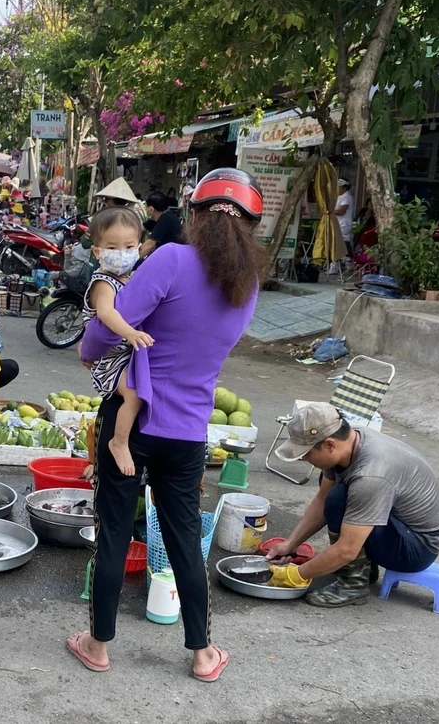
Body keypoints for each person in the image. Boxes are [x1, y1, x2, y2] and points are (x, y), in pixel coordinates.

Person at [71, 168, 264, 682]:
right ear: (251, 227)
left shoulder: (171, 259)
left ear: (194, 216)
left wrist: (91, 352)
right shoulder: (247, 286)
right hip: (188, 433)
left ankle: (98, 645)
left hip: (131, 423)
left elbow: (104, 330)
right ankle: (203, 653)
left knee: (114, 533)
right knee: (184, 541)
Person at [266, 402, 439, 607]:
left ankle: (353, 585)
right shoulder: (348, 442)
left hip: (417, 548)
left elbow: (346, 549)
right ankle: (363, 570)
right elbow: (322, 500)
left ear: (329, 445)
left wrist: (295, 575)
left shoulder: (371, 475)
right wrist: (291, 544)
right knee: (336, 495)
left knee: (340, 498)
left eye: (307, 453)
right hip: (395, 527)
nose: (304, 459)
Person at [83, 208, 154, 476]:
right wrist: (130, 333)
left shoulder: (132, 279)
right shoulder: (104, 282)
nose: (122, 253)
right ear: (97, 251)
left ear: (139, 247)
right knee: (134, 395)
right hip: (109, 360)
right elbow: (106, 313)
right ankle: (119, 442)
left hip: (125, 356)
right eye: (112, 247)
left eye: (129, 246)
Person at [141, 192, 183, 257]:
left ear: (151, 209)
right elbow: (141, 228)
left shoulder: (166, 220)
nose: (145, 209)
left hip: (172, 257)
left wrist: (131, 260)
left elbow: (149, 245)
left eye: (146, 207)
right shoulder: (164, 216)